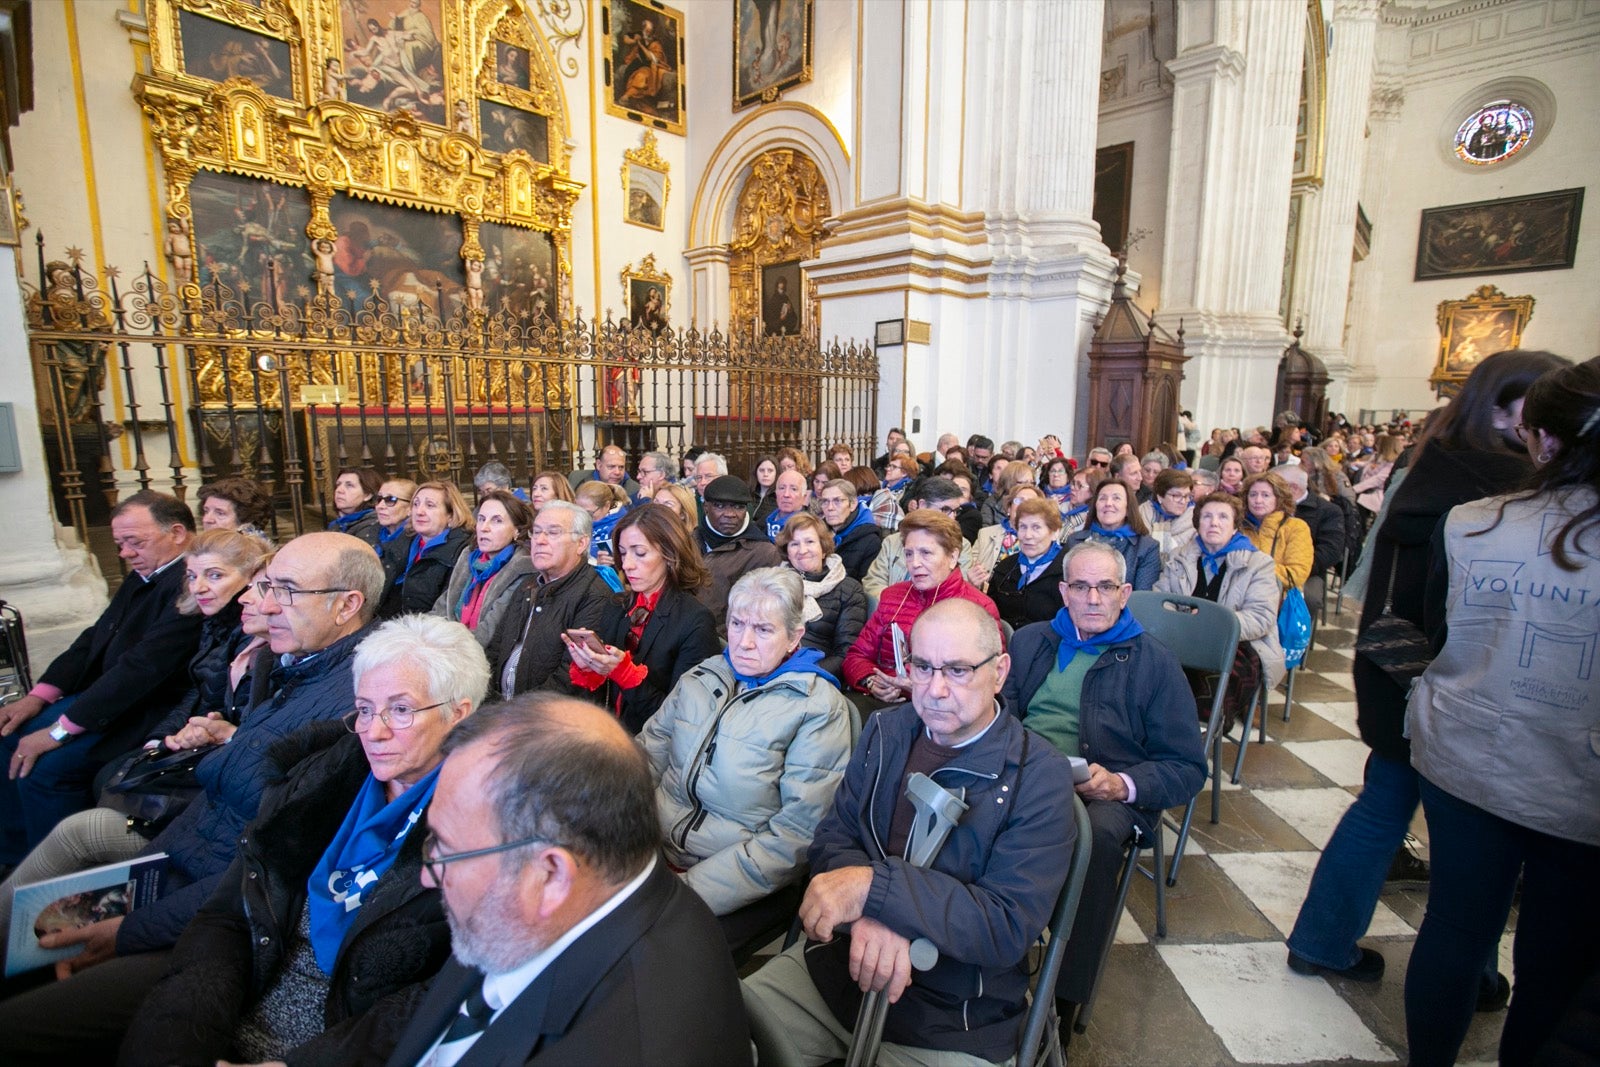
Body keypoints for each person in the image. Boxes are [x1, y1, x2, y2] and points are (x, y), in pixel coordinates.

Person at [0, 532, 384, 1061]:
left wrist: (132, 926)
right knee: (31, 938)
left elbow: (264, 872)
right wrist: (134, 877)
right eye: (267, 585)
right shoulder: (290, 667)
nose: (263, 602)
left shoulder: (352, 705)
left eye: (286, 591)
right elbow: (215, 804)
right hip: (172, 875)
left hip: (215, 924)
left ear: (347, 605)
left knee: (19, 1024)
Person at [1286, 348, 1568, 988]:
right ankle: (1466, 970)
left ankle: (1323, 939)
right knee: (1469, 829)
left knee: (1386, 802)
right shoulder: (1496, 480)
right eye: (1540, 403)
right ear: (1502, 410)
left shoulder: (1432, 461)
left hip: (1392, 662)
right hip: (1445, 672)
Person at [118, 615, 491, 1067]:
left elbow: (451, 992)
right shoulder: (316, 780)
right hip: (233, 1002)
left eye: (401, 710)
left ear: (459, 712)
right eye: (365, 709)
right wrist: (184, 1036)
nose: (374, 732)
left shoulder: (487, 825)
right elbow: (229, 915)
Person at [745, 599, 1076, 1065]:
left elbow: (1005, 924)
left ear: (999, 672)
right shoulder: (886, 730)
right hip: (837, 970)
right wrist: (870, 914)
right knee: (716, 1030)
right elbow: (834, 840)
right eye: (922, 666)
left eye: (958, 670)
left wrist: (873, 890)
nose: (936, 689)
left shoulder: (1040, 776)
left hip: (952, 1017)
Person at [1403, 356, 1600, 1066]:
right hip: (1577, 780)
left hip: (1466, 751)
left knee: (1454, 928)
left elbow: (1436, 631)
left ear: (1542, 440)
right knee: (1558, 958)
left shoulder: (1472, 522)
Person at [381, 695, 752, 1066]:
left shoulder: (630, 1046)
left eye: (446, 850)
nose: (428, 877)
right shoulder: (584, 879)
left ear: (552, 876)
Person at [1002, 541, 1206, 1027]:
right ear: (1063, 591)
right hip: (1027, 774)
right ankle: (984, 958)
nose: (1093, 598)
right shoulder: (1030, 642)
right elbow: (1001, 717)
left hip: (1104, 794)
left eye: (1106, 587)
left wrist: (1121, 783)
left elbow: (1186, 767)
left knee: (1093, 838)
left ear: (1125, 593)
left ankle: (1062, 998)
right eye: (1081, 586)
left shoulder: (1154, 662)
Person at [640, 568, 853, 961]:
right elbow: (645, 758)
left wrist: (690, 890)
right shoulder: (702, 677)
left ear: (794, 637)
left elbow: (794, 837)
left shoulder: (817, 708)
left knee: (647, 958)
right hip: (650, 849)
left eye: (764, 630)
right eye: (737, 623)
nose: (744, 642)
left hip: (730, 877)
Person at [0, 492, 203, 862]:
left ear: (176, 533)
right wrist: (39, 696)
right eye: (119, 543)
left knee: (46, 769)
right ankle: (15, 861)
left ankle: (57, 879)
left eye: (134, 542)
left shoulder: (191, 584)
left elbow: (142, 670)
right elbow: (95, 637)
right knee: (7, 736)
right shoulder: (148, 573)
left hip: (144, 711)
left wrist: (58, 731)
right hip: (105, 701)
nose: (124, 553)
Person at [564, 504, 722, 734]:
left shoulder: (695, 621)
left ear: (670, 554)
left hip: (651, 749)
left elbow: (682, 717)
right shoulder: (617, 605)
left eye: (640, 553)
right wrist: (590, 668)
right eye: (623, 552)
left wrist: (625, 674)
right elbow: (598, 699)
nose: (626, 564)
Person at [843, 510, 1002, 708]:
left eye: (926, 553)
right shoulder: (893, 596)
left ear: (953, 557)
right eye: (909, 554)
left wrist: (922, 686)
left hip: (945, 708)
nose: (914, 564)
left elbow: (989, 679)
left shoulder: (978, 606)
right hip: (882, 702)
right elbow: (856, 656)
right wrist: (871, 681)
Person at [1155, 493, 1286, 730]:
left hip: (1238, 643)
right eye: (1207, 516)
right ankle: (1155, 733)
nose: (1214, 523)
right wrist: (1180, 625)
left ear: (1235, 526)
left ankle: (1198, 739)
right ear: (1197, 523)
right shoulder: (1179, 558)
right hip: (1181, 639)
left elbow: (1261, 618)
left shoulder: (1259, 563)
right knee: (1151, 669)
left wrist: (1212, 625)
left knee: (1207, 685)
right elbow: (1160, 599)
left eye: (1223, 517)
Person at [483, 500, 617, 702]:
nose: (540, 540)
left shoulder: (595, 596)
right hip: (503, 709)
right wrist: (488, 701)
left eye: (553, 533)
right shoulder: (528, 585)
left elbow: (569, 679)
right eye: (536, 532)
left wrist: (512, 713)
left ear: (581, 543)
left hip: (547, 719)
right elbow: (495, 648)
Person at [434, 489, 535, 647]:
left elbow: (488, 632)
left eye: (497, 521)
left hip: (479, 657)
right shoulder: (470, 559)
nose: (484, 528)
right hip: (450, 646)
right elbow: (441, 609)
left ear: (517, 530)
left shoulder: (521, 569)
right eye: (481, 519)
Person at [777, 512, 867, 682]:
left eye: (810, 542)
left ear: (824, 549)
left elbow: (846, 653)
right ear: (787, 552)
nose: (802, 550)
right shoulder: (774, 583)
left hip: (813, 675)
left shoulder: (849, 590)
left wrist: (802, 675)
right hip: (769, 665)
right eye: (794, 544)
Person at [860, 478, 973, 610]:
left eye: (956, 511)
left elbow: (957, 592)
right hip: (891, 614)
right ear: (923, 505)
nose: (952, 517)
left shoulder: (961, 546)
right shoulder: (892, 542)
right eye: (946, 509)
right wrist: (899, 606)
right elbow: (873, 583)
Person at [692, 474, 783, 628]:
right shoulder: (688, 542)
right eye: (720, 506)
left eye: (738, 507)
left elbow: (763, 613)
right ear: (706, 507)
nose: (729, 514)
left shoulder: (763, 552)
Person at [378, 480, 472, 619]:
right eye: (416, 504)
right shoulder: (403, 541)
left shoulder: (461, 550)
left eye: (430, 505)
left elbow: (446, 610)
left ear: (451, 516)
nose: (419, 511)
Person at [1064, 479, 1161, 590]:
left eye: (1116, 498)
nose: (1108, 503)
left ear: (1128, 507)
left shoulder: (1146, 547)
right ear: (1095, 506)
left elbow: (1142, 597)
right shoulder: (1074, 541)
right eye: (1102, 498)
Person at [988, 497, 1067, 630]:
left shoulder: (1067, 570)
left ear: (1055, 533)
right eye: (1023, 527)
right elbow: (992, 613)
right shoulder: (1005, 567)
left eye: (1036, 527)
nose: (1028, 535)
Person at [1278, 464, 1346, 603]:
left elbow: (1330, 551)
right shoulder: (1269, 505)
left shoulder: (1328, 511)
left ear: (1293, 488)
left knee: (1309, 598)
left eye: (1275, 485)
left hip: (1309, 570)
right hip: (1271, 565)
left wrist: (1298, 567)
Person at [1239, 471, 1314, 590]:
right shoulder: (1236, 525)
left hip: (1278, 598)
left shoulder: (1296, 527)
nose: (1258, 500)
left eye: (1265, 495)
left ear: (1279, 499)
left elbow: (1296, 574)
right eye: (1253, 494)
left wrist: (1252, 568)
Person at [818, 476, 883, 581]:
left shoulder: (870, 541)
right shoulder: (818, 534)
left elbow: (866, 586)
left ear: (852, 504)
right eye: (825, 501)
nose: (830, 508)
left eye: (837, 501)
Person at [1138, 468, 1196, 563]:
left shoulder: (1195, 519)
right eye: (1176, 496)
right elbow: (1144, 549)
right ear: (1160, 496)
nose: (1183, 501)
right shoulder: (1143, 512)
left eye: (1186, 496)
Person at [196, 477, 273, 533]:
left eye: (220, 513)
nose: (206, 519)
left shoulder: (252, 552)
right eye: (206, 511)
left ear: (246, 522)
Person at [327, 467, 383, 546]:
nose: (339, 490)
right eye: (338, 484)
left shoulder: (373, 525)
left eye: (349, 485)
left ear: (367, 495)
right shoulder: (338, 523)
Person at [568, 444, 642, 499]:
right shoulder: (576, 480)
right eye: (611, 467)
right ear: (599, 465)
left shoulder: (634, 490)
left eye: (621, 467)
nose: (617, 472)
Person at [764, 467, 811, 541]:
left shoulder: (808, 527)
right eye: (782, 488)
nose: (786, 494)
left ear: (804, 497)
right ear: (776, 493)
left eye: (794, 489)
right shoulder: (765, 521)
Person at [373, 477, 416, 555]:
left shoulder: (416, 542)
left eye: (390, 500)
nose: (380, 506)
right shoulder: (371, 532)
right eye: (379, 499)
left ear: (410, 508)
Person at [747, 454, 780, 527]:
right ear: (756, 472)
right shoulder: (748, 492)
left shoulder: (779, 497)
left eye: (770, 471)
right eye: (761, 470)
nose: (765, 474)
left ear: (776, 474)